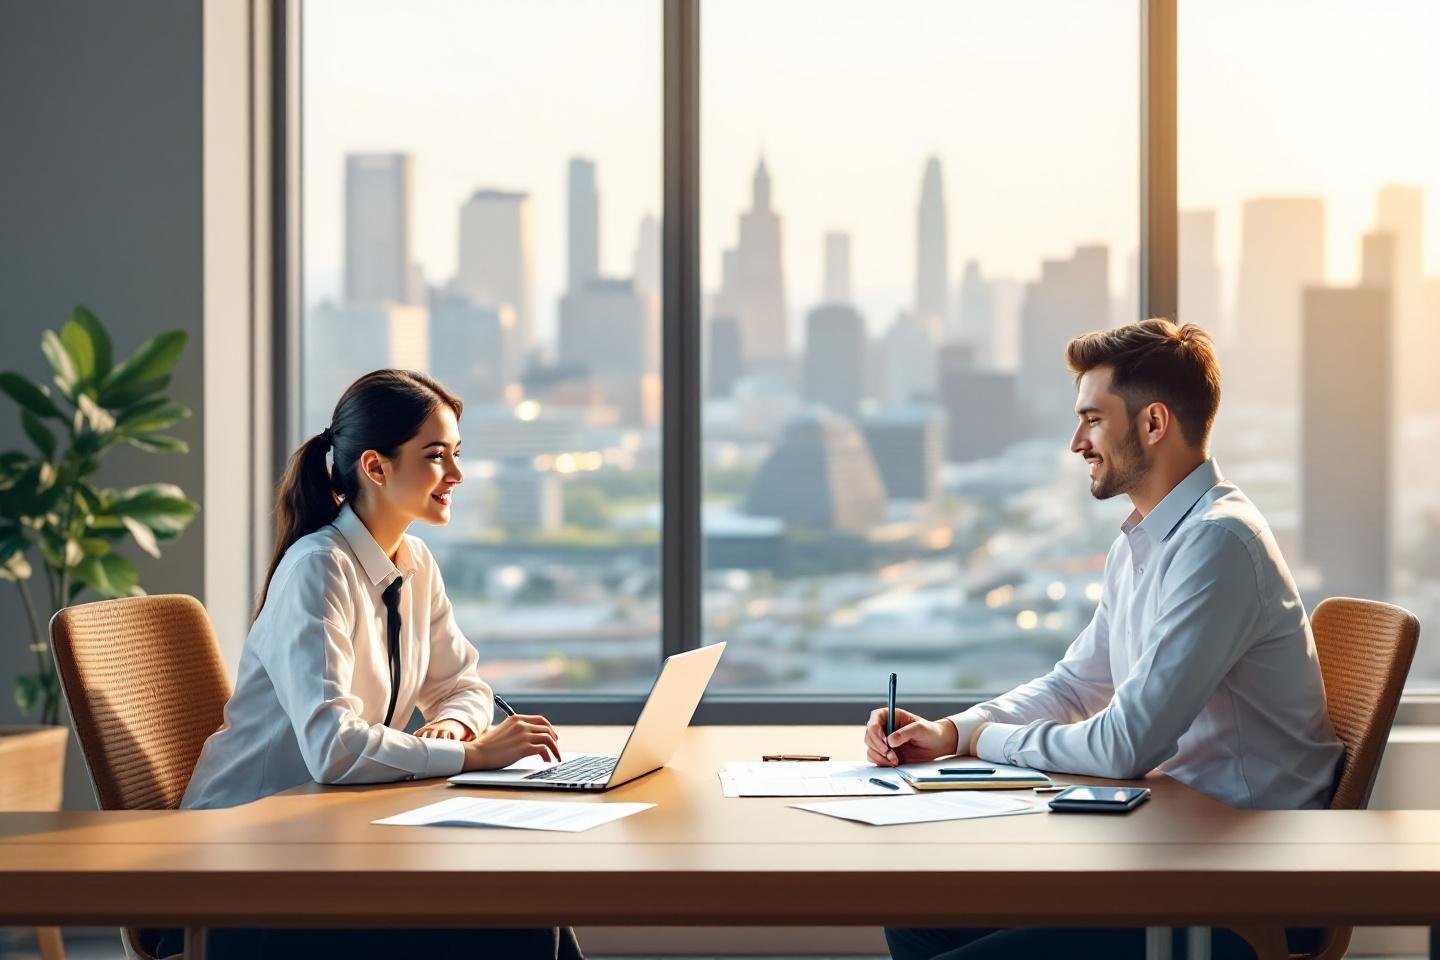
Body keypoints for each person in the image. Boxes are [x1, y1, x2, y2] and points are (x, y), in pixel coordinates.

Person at [868, 320, 1342, 960]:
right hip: (1171, 848)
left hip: (1240, 889)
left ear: (1153, 424)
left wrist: (985, 740)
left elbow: (1124, 745)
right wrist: (952, 732)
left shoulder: (1219, 544)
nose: (1076, 443)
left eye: (1092, 419)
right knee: (918, 917)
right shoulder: (1149, 538)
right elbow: (1076, 684)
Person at [157, 369, 582, 959]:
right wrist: (472, 754)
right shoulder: (318, 568)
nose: (456, 475)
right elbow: (334, 748)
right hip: (232, 873)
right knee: (522, 926)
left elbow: (462, 683)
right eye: (437, 457)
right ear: (376, 467)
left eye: (457, 454)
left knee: (535, 914)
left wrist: (453, 726)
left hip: (322, 846)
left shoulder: (414, 562)